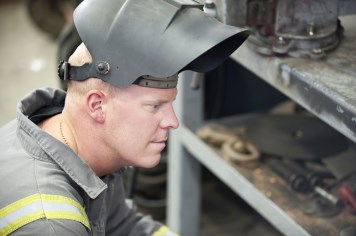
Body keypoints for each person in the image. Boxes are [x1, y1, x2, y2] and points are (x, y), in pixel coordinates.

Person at [0, 0, 249, 235]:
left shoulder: (69, 139)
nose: (173, 122)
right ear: (97, 105)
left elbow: (121, 225)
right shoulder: (52, 225)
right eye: (154, 106)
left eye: (169, 104)